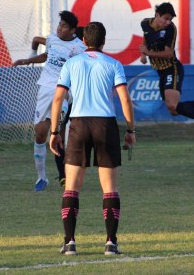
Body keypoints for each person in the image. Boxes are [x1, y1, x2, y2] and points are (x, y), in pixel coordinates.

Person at [49, 21, 135, 256]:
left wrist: (55, 132)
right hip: (105, 124)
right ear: (104, 41)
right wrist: (130, 130)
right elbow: (125, 99)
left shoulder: (71, 63)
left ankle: (70, 243)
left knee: (72, 188)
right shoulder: (113, 64)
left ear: (83, 41)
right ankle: (110, 243)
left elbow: (58, 99)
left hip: (78, 124)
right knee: (109, 189)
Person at [12, 11, 86, 192]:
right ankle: (41, 177)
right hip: (45, 88)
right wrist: (29, 59)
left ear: (73, 30)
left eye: (64, 26)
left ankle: (66, 176)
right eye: (59, 24)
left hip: (64, 91)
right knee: (40, 133)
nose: (59, 28)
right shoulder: (52, 39)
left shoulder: (79, 48)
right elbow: (46, 55)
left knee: (60, 132)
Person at [139, 2, 194, 141]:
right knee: (173, 110)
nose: (168, 22)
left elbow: (168, 54)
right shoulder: (145, 23)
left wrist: (148, 52)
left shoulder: (171, 29)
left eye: (170, 19)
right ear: (157, 15)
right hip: (160, 71)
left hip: (172, 68)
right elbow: (146, 36)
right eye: (166, 18)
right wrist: (143, 54)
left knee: (173, 105)